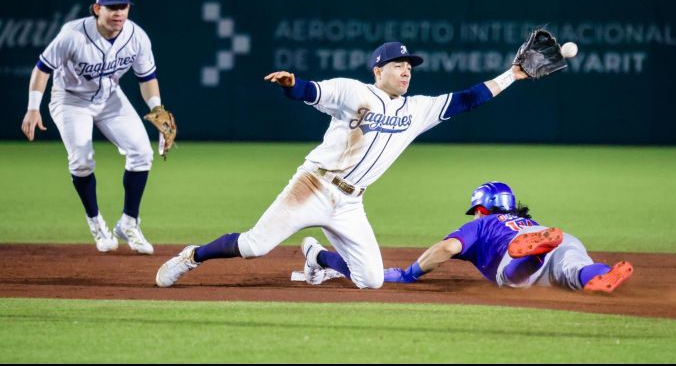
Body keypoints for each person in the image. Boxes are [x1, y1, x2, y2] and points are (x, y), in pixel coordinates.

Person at [155, 41, 534, 288]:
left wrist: (513, 75)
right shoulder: (353, 91)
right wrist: (292, 85)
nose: (406, 70)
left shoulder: (420, 109)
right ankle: (191, 257)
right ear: (377, 70)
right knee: (255, 245)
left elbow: (470, 98)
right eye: (398, 64)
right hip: (313, 186)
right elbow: (311, 91)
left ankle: (316, 256)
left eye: (409, 66)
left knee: (371, 280)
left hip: (352, 202)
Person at [20, 0, 165, 255]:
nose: (119, 13)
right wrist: (33, 107)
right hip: (71, 100)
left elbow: (147, 78)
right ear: (97, 8)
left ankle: (129, 223)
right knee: (82, 159)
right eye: (112, 7)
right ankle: (96, 221)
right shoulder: (71, 35)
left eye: (123, 7)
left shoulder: (136, 37)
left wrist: (157, 108)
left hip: (110, 99)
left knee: (143, 153)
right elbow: (42, 68)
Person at [369, 181, 633, 293]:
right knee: (577, 271)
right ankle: (604, 272)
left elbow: (448, 247)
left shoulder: (483, 224)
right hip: (560, 237)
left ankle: (535, 255)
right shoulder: (528, 221)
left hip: (518, 249)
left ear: (481, 209)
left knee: (510, 279)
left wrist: (410, 273)